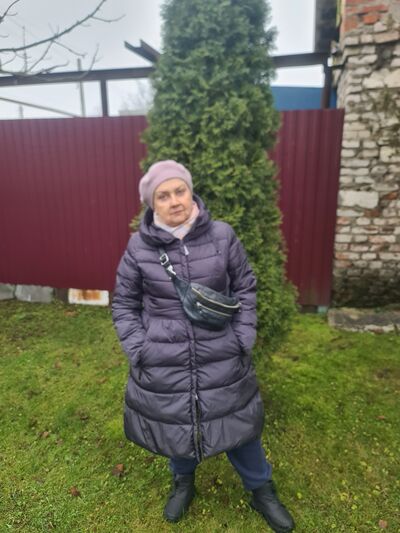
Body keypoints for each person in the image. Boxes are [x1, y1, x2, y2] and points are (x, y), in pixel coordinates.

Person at [112, 160, 295, 532]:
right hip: (164, 357)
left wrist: (243, 337)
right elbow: (124, 303)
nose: (174, 201)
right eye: (163, 196)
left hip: (222, 352)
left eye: (180, 191)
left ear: (190, 191)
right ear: (152, 204)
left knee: (239, 425)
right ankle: (183, 483)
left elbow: (245, 286)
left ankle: (261, 490)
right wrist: (139, 349)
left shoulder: (222, 235)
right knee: (177, 424)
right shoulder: (139, 247)